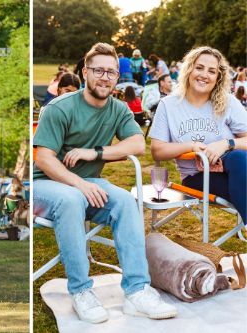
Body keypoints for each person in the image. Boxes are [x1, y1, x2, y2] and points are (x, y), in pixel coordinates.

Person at [33, 43, 177, 323]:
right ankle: (80, 291)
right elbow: (44, 160)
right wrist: (80, 184)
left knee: (125, 200)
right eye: (98, 70)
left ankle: (137, 291)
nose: (105, 77)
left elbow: (137, 145)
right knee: (72, 198)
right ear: (85, 72)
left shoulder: (119, 109)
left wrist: (96, 153)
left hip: (88, 183)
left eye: (111, 72)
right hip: (45, 185)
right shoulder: (59, 108)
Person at [150, 46, 247, 223]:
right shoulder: (168, 105)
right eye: (199, 67)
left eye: (212, 71)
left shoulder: (227, 102)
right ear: (189, 69)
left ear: (218, 77)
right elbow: (157, 150)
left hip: (237, 168)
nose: (204, 75)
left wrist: (226, 144)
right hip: (197, 176)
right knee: (240, 159)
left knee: (237, 157)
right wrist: (192, 146)